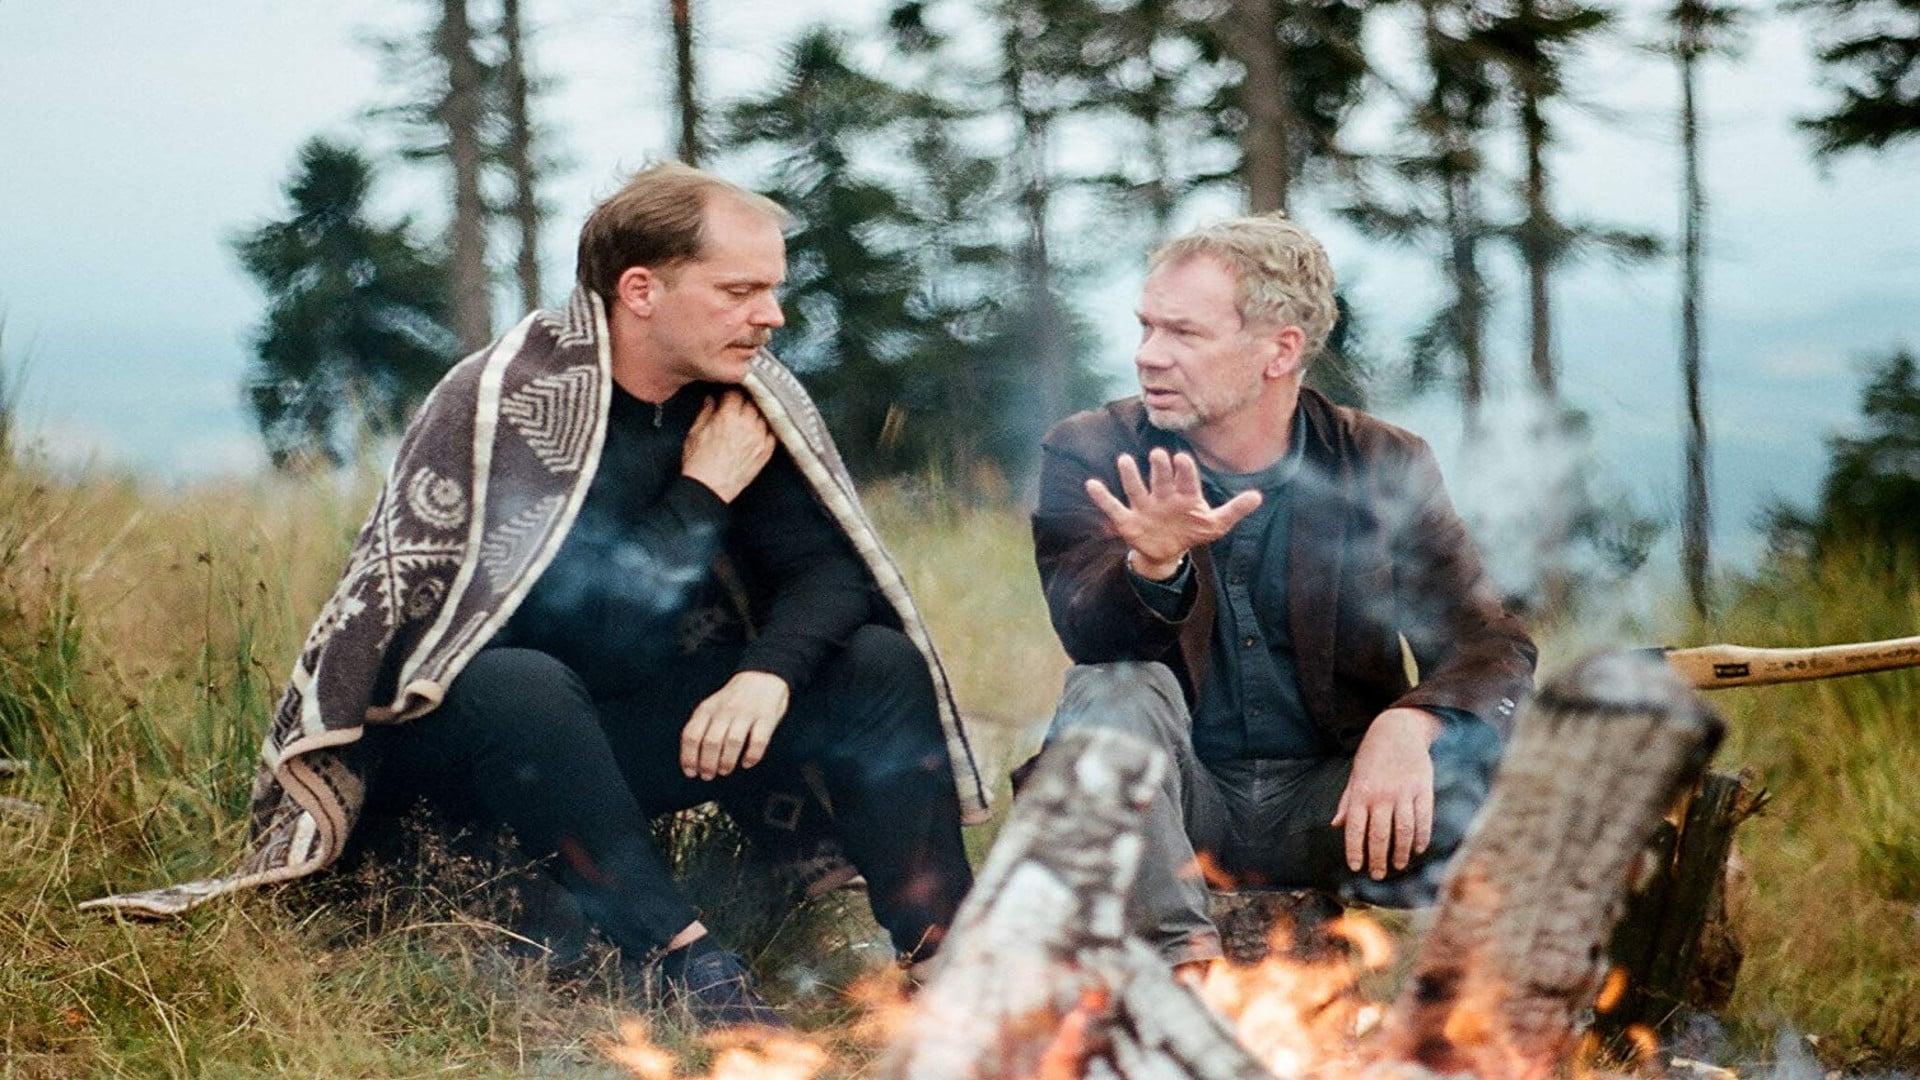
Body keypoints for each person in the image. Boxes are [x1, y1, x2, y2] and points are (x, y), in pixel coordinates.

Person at [86, 163, 990, 1029]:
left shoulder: (745, 397)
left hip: (626, 736)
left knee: (873, 662)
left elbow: (829, 573)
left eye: (772, 289)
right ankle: (688, 964)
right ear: (641, 291)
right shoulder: (509, 407)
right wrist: (703, 494)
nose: (772, 316)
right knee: (519, 682)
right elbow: (568, 632)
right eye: (739, 291)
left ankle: (942, 955)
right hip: (481, 760)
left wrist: (767, 677)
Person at [1026, 213, 1535, 974]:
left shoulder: (1381, 461)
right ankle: (1179, 972)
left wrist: (1413, 723)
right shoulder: (1094, 450)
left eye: (1184, 334)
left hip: (1341, 804)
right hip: (1174, 806)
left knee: (1550, 786)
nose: (1148, 357)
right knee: (1108, 694)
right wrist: (1154, 568)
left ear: (1280, 349)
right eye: (1145, 328)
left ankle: (1576, 1015)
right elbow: (1088, 639)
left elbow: (1490, 643)